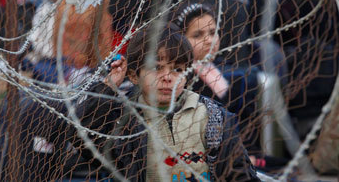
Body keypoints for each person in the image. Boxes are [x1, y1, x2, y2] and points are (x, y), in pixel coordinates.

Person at [72, 24, 259, 181]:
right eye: (156, 68)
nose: (168, 77)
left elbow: (239, 173)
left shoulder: (213, 117)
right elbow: (85, 140)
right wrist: (107, 88)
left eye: (177, 69)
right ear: (133, 75)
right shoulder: (123, 120)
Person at [171, 2, 261, 154]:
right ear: (181, 40)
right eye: (197, 35)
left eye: (213, 32)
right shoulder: (184, 79)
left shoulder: (219, 69)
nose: (209, 40)